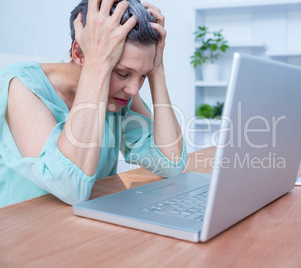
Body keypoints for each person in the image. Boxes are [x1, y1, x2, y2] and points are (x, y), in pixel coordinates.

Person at [0, 0, 187, 207]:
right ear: (79, 54)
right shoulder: (22, 85)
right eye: (123, 73)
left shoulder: (119, 94)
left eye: (142, 75)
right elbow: (71, 187)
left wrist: (157, 69)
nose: (134, 90)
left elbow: (171, 163)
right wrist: (98, 64)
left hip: (91, 225)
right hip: (26, 229)